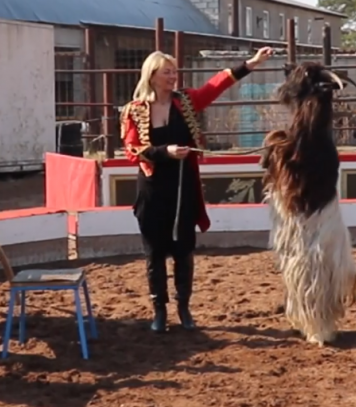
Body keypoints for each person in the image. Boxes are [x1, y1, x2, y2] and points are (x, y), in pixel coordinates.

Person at [121, 47, 273, 333]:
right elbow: (133, 150)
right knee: (154, 252)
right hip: (153, 187)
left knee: (183, 250)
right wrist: (165, 151)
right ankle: (159, 311)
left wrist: (250, 64)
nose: (173, 77)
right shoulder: (135, 110)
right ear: (152, 75)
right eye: (167, 72)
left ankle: (184, 308)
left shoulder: (186, 101)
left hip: (183, 184)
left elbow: (216, 85)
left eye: (174, 71)